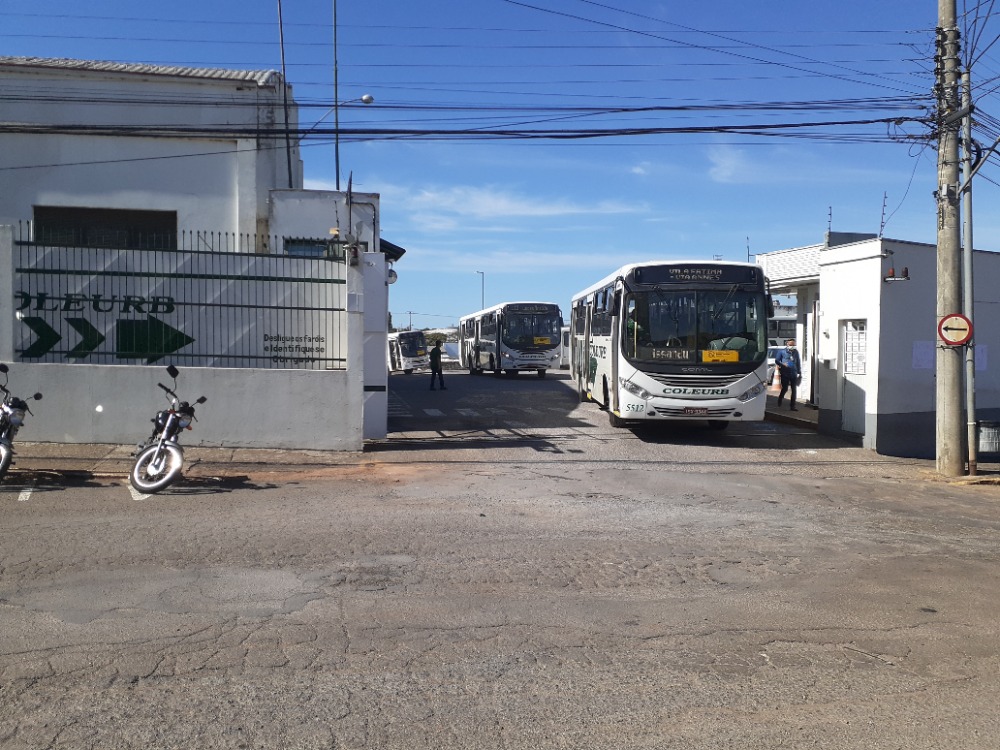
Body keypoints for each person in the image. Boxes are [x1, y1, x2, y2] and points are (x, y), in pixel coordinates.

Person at [775, 338, 801, 410]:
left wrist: (799, 372)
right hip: (785, 373)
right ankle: (780, 398)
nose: (792, 346)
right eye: (791, 344)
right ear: (787, 344)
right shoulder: (782, 352)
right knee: (785, 388)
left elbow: (798, 362)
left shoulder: (796, 352)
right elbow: (777, 360)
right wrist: (783, 364)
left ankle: (792, 406)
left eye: (793, 344)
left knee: (794, 389)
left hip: (793, 372)